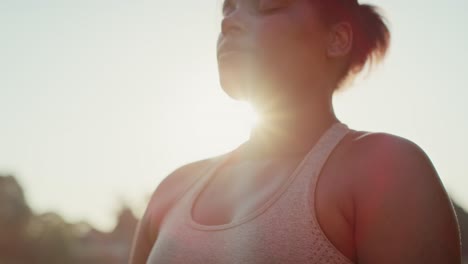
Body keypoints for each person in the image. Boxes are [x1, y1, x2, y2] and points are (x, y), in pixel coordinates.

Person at [129, 0, 462, 263]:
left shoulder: (386, 171)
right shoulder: (172, 192)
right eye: (228, 6)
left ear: (337, 39)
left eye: (269, 5)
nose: (228, 21)